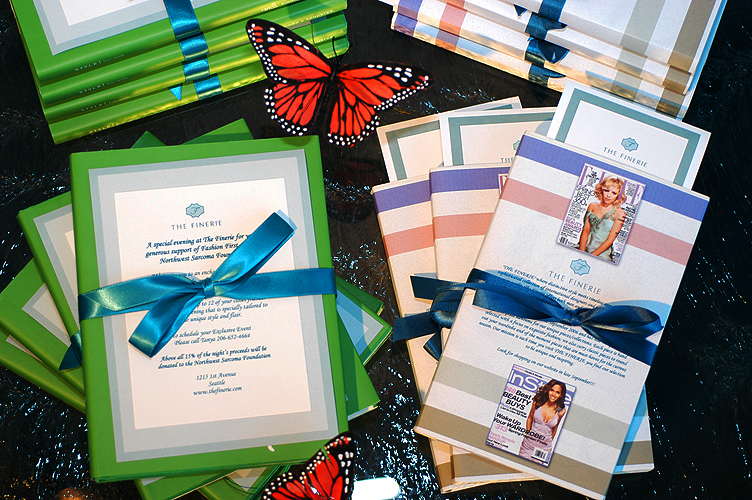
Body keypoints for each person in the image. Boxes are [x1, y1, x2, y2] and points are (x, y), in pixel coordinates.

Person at [578, 176, 626, 261]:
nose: (609, 195)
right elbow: (585, 230)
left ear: (618, 195)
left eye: (614, 193)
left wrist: (591, 256)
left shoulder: (620, 213)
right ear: (601, 190)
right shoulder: (592, 206)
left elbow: (610, 240)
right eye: (606, 190)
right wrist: (581, 251)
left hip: (602, 254)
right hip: (583, 248)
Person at [518, 380, 567, 463]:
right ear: (548, 390)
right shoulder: (538, 403)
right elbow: (530, 418)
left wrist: (548, 442)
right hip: (528, 446)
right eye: (552, 390)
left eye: (557, 392)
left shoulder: (560, 411)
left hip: (544, 449)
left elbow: (555, 427)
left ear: (561, 395)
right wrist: (528, 434)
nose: (553, 394)